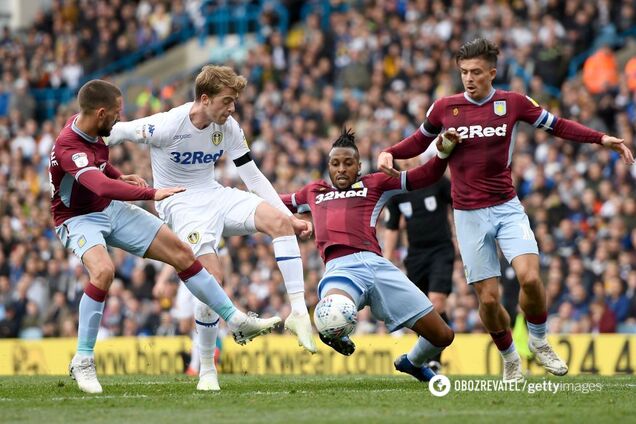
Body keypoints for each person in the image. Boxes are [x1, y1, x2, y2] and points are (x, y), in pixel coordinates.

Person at [377, 38, 635, 381]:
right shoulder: (444, 107)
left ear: (492, 73)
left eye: (476, 72)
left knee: (530, 277)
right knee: (488, 300)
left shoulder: (512, 104)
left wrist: (601, 138)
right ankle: (510, 357)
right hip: (468, 215)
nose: (469, 78)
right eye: (464, 72)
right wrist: (389, 152)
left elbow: (558, 125)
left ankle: (540, 341)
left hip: (506, 207)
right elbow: (419, 140)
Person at [50, 79, 281, 394]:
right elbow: (98, 184)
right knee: (103, 271)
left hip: (110, 209)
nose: (120, 117)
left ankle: (236, 320)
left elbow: (99, 167)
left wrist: (119, 175)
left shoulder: (92, 128)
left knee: (183, 253)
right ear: (101, 112)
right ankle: (84, 360)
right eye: (116, 113)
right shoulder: (68, 144)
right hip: (78, 218)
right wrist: (151, 191)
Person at [106, 65, 317, 391]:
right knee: (211, 278)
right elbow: (116, 131)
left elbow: (253, 176)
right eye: (227, 101)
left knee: (279, 223)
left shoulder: (228, 127)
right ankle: (206, 369)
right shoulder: (166, 124)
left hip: (215, 195)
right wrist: (87, 151)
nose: (232, 108)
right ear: (204, 99)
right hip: (180, 204)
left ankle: (299, 313)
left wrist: (287, 214)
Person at [281, 128, 456, 382]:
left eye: (348, 163)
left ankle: (412, 362)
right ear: (328, 167)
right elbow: (275, 202)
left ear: (359, 166)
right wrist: (235, 196)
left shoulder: (375, 183)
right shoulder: (313, 192)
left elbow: (425, 176)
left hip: (378, 267)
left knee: (443, 336)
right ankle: (333, 332)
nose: (341, 169)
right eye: (335, 163)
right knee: (332, 311)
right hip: (341, 269)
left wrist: (442, 155)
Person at [383, 156, 454, 373]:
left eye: (409, 157)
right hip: (415, 257)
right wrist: (386, 259)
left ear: (420, 157)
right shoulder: (397, 193)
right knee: (421, 312)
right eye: (401, 160)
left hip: (441, 250)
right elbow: (392, 226)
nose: (405, 163)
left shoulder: (438, 181)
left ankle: (434, 360)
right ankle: (426, 356)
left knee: (437, 302)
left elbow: (459, 206)